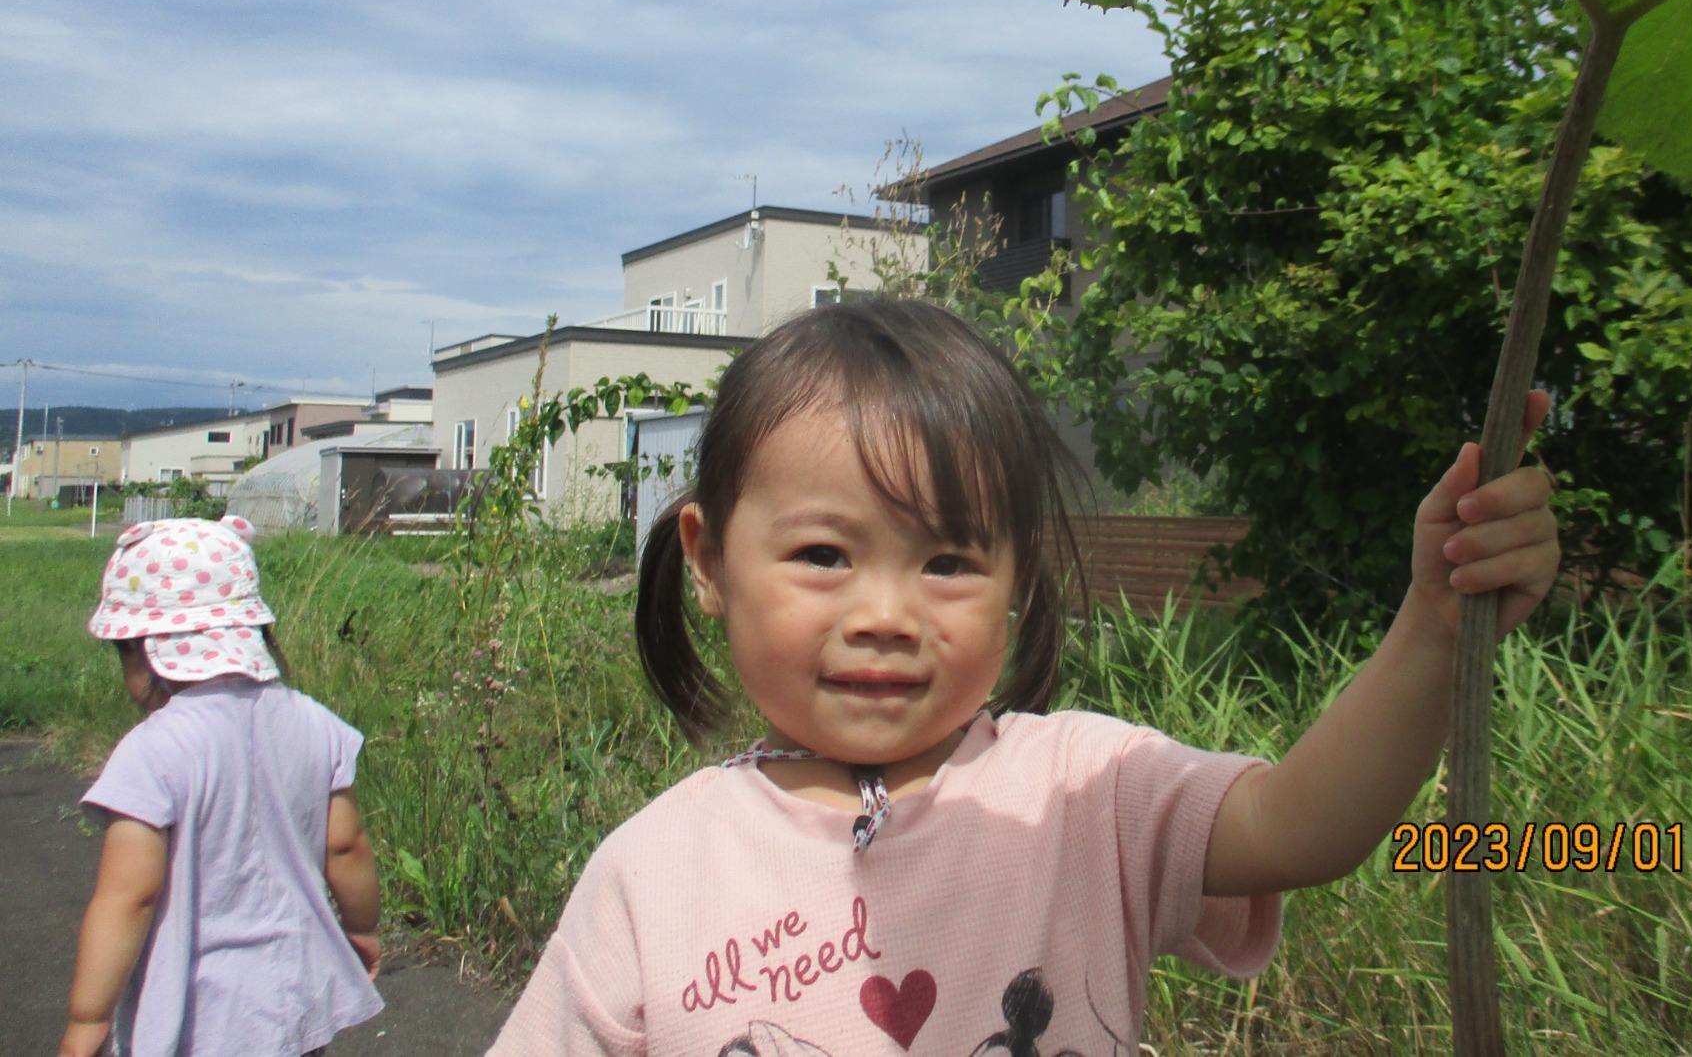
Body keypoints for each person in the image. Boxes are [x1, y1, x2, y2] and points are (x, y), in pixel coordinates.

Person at [489, 299, 1560, 1057]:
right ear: (710, 560)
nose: (884, 616)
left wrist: (1431, 622)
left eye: (948, 561)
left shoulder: (1085, 792)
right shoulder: (652, 873)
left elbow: (1303, 824)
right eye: (823, 555)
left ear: (1016, 579)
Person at [59, 515, 385, 1057]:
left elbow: (128, 898)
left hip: (202, 1014)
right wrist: (363, 925)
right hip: (297, 999)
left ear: (149, 650)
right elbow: (345, 845)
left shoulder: (152, 752)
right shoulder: (314, 723)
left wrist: (87, 1018)